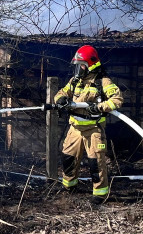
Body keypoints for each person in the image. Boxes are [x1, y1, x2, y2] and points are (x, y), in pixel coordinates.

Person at [53, 45, 123, 198]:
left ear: (90, 65)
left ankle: (100, 194)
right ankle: (70, 187)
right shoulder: (75, 81)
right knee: (68, 158)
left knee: (96, 163)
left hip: (93, 129)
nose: (78, 69)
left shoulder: (102, 82)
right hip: (75, 129)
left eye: (81, 65)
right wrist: (61, 100)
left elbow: (117, 100)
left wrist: (99, 108)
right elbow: (60, 93)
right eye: (77, 65)